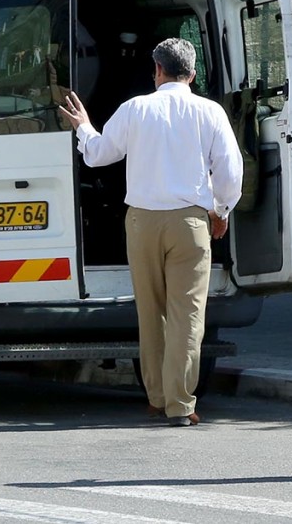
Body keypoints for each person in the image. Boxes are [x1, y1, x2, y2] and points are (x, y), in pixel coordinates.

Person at [58, 37, 243, 427]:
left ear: (156, 70)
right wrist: (221, 211)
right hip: (189, 222)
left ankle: (156, 397)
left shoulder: (135, 109)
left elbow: (98, 154)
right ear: (192, 74)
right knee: (187, 314)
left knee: (151, 312)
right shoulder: (209, 112)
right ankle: (180, 402)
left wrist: (84, 128)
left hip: (141, 221)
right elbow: (229, 171)